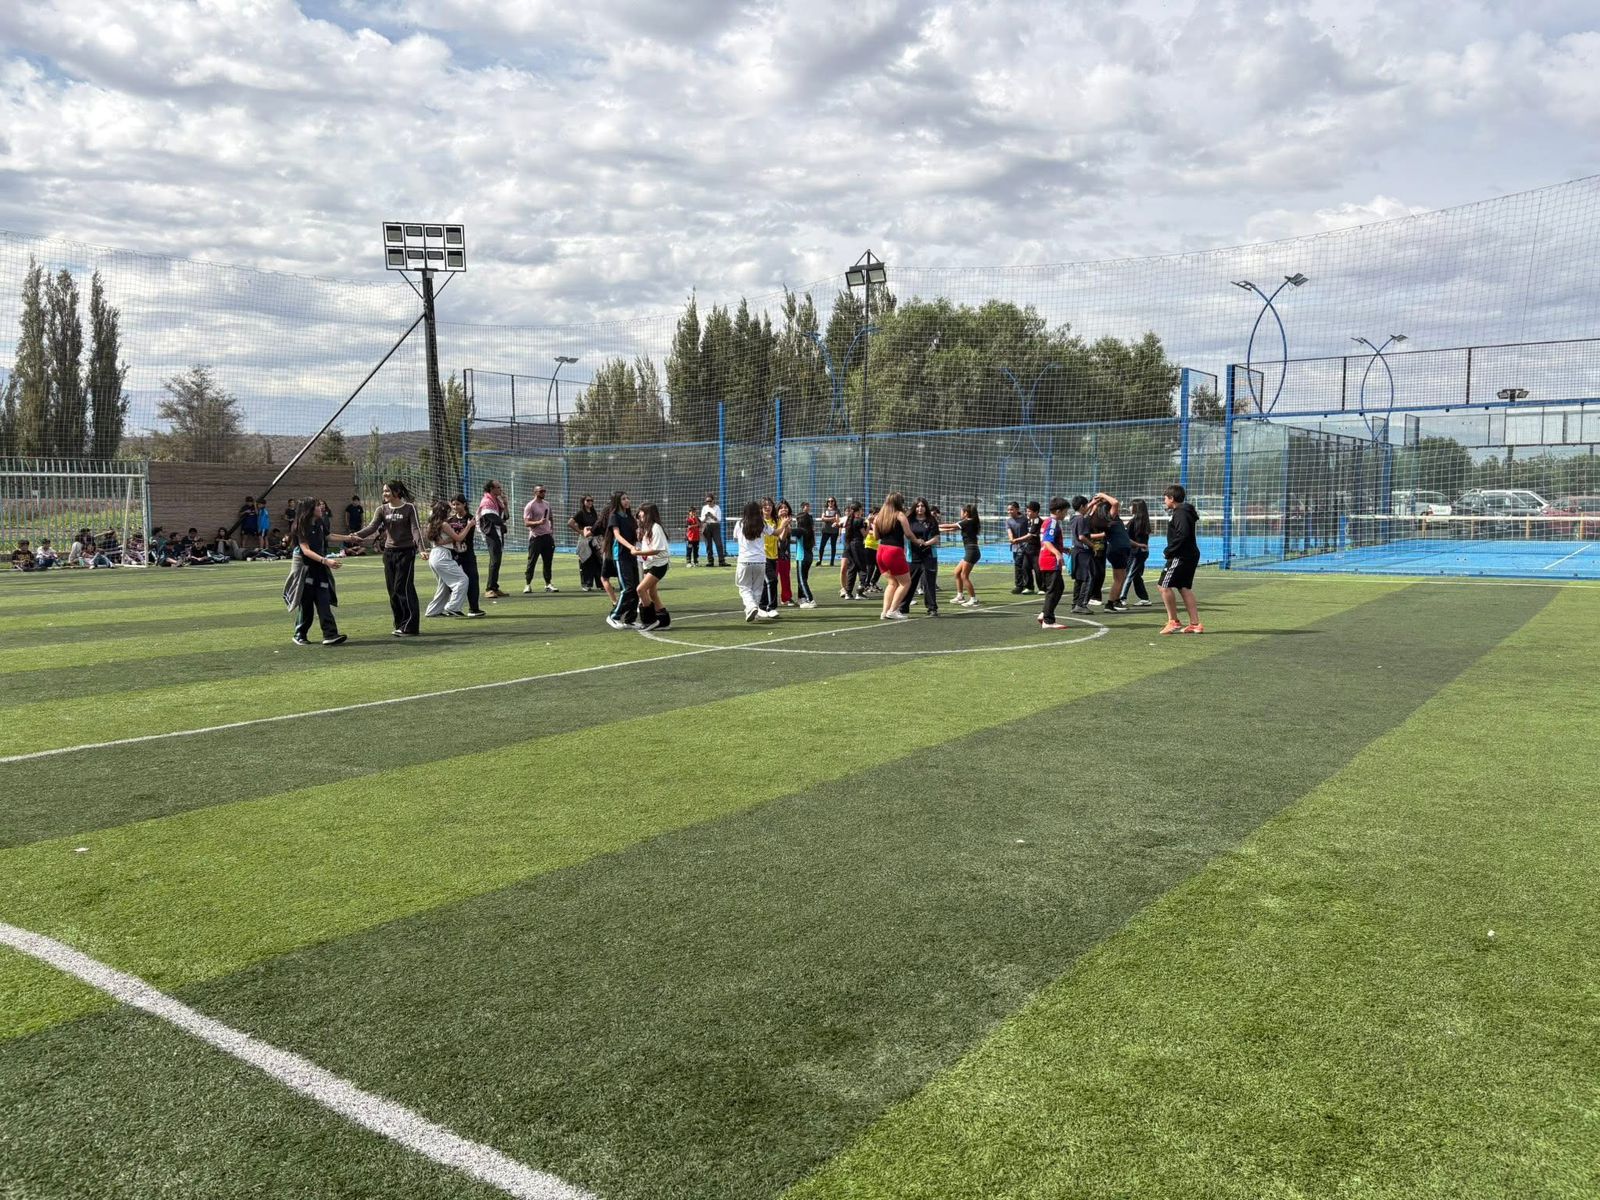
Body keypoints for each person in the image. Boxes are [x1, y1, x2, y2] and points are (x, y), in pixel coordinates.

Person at [350, 479, 423, 636]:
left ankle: (410, 626)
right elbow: (372, 527)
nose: (385, 493)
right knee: (393, 591)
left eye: (388, 491)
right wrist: (355, 535)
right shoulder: (382, 509)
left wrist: (421, 549)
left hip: (406, 552)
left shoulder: (409, 508)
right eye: (384, 491)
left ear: (397, 492)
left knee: (403, 587)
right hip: (389, 553)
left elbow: (415, 529)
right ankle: (400, 624)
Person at [283, 497, 350, 646]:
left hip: (319, 566)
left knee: (323, 600)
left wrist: (349, 538)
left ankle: (330, 634)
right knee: (307, 604)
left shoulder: (319, 522)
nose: (321, 508)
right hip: (306, 569)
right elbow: (306, 550)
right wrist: (326, 561)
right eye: (318, 506)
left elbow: (329, 535)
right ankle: (300, 634)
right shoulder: (300, 526)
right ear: (309, 510)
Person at [1159, 484, 1203, 635]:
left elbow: (1182, 534)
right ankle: (1195, 624)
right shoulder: (1183, 511)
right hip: (1189, 554)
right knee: (1184, 588)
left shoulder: (1181, 512)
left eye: (1165, 498)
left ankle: (1173, 621)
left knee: (1163, 586)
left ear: (1171, 498)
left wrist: (1169, 551)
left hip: (1181, 555)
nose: (1164, 501)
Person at [873, 492, 920, 620]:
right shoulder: (899, 515)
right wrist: (918, 541)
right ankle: (893, 610)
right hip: (894, 552)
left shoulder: (879, 516)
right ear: (899, 502)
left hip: (881, 551)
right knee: (906, 582)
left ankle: (884, 612)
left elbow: (876, 537)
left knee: (892, 583)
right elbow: (908, 534)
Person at [423, 500, 474, 618]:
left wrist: (449, 540)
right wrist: (469, 525)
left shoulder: (431, 524)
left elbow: (439, 541)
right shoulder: (444, 524)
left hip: (435, 555)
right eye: (448, 511)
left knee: (444, 585)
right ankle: (453, 607)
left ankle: (433, 611)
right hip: (443, 555)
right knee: (463, 580)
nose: (450, 513)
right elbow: (459, 538)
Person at [898, 497, 942, 617]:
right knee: (910, 582)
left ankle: (932, 608)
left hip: (929, 556)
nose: (920, 508)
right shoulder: (909, 520)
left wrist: (925, 543)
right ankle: (903, 607)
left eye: (922, 506)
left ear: (926, 507)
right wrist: (916, 541)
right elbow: (906, 535)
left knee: (929, 582)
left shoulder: (931, 520)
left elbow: (936, 538)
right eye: (917, 506)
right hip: (913, 556)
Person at [605, 491, 641, 629]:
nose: (627, 501)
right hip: (620, 556)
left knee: (636, 588)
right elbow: (617, 536)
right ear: (617, 501)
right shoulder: (614, 516)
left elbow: (636, 535)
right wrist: (631, 547)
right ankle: (613, 616)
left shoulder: (630, 517)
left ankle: (630, 620)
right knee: (627, 588)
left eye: (627, 498)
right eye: (623, 499)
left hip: (632, 556)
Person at [633, 502, 671, 631]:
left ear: (648, 513)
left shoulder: (656, 527)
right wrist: (640, 550)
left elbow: (656, 550)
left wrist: (637, 553)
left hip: (658, 564)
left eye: (641, 511)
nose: (639, 514)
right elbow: (648, 548)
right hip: (648, 564)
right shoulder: (646, 528)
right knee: (652, 593)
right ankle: (664, 621)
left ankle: (650, 620)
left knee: (640, 590)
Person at [733, 501, 773, 621]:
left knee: (744, 587)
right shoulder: (762, 523)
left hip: (744, 560)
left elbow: (735, 538)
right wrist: (784, 525)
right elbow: (774, 533)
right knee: (757, 588)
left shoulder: (740, 523)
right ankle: (753, 613)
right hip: (760, 560)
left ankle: (751, 606)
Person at [1034, 497, 1070, 629]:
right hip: (1050, 560)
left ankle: (1044, 613)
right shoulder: (1052, 522)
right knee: (1053, 590)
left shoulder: (1048, 522)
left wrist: (1063, 549)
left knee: (1059, 588)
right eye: (1065, 511)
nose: (1066, 514)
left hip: (1046, 559)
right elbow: (1047, 541)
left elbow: (1049, 541)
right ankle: (1048, 621)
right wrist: (1057, 553)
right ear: (1059, 511)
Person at [449, 494, 487, 616]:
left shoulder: (471, 519)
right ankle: (451, 607)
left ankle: (474, 608)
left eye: (458, 504)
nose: (455, 507)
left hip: (467, 554)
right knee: (451, 582)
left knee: (472, 580)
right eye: (453, 504)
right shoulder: (450, 520)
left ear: (464, 504)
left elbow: (465, 536)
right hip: (453, 555)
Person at [1095, 492, 1132, 613]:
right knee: (1119, 579)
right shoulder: (1110, 517)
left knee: (1121, 577)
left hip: (1120, 549)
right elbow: (1115, 502)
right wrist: (1102, 495)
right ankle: (1110, 604)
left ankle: (1116, 601)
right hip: (1117, 550)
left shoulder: (1113, 519)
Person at [943, 503, 981, 606]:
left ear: (966, 513)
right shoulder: (968, 522)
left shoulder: (968, 521)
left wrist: (935, 525)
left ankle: (973, 599)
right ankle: (960, 596)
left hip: (972, 552)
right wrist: (938, 529)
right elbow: (951, 529)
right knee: (957, 572)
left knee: (964, 576)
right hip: (971, 551)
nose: (960, 513)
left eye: (961, 511)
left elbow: (951, 526)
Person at [522, 484, 557, 594]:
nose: (543, 493)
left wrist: (551, 530)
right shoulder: (530, 505)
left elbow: (550, 517)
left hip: (547, 537)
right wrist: (538, 522)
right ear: (535, 492)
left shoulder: (547, 504)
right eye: (541, 491)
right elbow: (526, 523)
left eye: (544, 491)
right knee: (532, 561)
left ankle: (548, 584)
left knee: (548, 562)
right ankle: (527, 584)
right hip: (536, 537)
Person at [478, 481, 508, 598]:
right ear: (491, 489)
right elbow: (491, 517)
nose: (501, 489)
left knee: (497, 560)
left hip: (498, 533)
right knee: (495, 560)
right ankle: (489, 589)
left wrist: (506, 504)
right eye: (498, 487)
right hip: (491, 533)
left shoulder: (497, 501)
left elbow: (506, 516)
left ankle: (494, 587)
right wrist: (503, 524)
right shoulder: (486, 501)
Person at [1121, 499, 1154, 607]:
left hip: (1136, 552)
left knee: (1129, 574)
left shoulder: (1134, 522)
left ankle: (1121, 597)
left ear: (1136, 508)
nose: (1129, 508)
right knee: (1136, 576)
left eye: (1131, 506)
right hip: (1141, 552)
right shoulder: (1143, 521)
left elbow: (1127, 538)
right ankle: (1144, 598)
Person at [569, 494, 604, 593]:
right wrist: (580, 531)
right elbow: (570, 523)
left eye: (591, 500)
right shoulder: (580, 513)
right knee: (586, 561)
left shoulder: (593, 512)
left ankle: (600, 584)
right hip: (585, 540)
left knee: (598, 561)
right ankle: (586, 584)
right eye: (588, 500)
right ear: (583, 502)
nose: (590, 502)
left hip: (594, 540)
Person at [1068, 495, 1095, 615]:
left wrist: (1093, 503)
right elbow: (1082, 537)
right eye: (1086, 505)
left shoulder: (1073, 518)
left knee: (1079, 579)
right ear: (1082, 506)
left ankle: (1075, 604)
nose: (1087, 507)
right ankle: (1081, 604)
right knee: (1088, 578)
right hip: (1083, 552)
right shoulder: (1081, 519)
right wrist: (1093, 546)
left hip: (1076, 551)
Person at [1086, 497, 1110, 606]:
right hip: (1090, 548)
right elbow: (1084, 536)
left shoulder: (1103, 517)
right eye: (1097, 503)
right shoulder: (1086, 518)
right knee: (1093, 573)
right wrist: (1102, 535)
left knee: (1100, 573)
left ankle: (1096, 596)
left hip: (1101, 547)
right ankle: (1089, 596)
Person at [840, 502, 866, 599]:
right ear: (858, 510)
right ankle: (860, 591)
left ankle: (848, 592)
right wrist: (869, 524)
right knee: (862, 568)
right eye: (861, 509)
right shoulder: (859, 520)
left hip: (849, 545)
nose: (862, 511)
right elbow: (865, 534)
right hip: (857, 545)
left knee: (852, 568)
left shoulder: (848, 520)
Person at [759, 497, 781, 614]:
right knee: (772, 580)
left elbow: (780, 537)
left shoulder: (775, 521)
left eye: (770, 505)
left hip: (774, 556)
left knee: (766, 582)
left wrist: (785, 526)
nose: (768, 507)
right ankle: (771, 607)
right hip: (763, 556)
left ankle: (761, 607)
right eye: (765, 505)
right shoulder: (759, 522)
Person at [794, 500, 817, 608]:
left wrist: (784, 523)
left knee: (801, 580)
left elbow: (789, 532)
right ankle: (801, 598)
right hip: (809, 557)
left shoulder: (800, 530)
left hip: (802, 557)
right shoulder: (810, 531)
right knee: (803, 579)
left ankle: (810, 600)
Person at [775, 499, 796, 606]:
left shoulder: (788, 520)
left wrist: (787, 524)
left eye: (785, 507)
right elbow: (781, 538)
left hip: (785, 553)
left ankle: (786, 598)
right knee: (772, 578)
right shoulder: (774, 521)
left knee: (785, 576)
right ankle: (771, 598)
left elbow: (787, 537)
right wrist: (784, 525)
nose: (784, 509)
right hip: (773, 552)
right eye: (781, 508)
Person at [700, 493, 726, 566]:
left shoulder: (717, 507)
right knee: (708, 545)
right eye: (707, 501)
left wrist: (712, 516)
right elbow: (702, 520)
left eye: (710, 501)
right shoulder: (704, 508)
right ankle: (710, 561)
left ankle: (721, 561)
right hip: (706, 526)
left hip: (715, 526)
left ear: (713, 500)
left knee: (719, 544)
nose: (708, 503)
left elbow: (719, 519)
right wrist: (706, 517)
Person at [818, 497, 841, 565]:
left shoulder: (837, 510)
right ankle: (820, 561)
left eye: (832, 501)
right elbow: (822, 518)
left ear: (834, 502)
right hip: (825, 531)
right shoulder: (825, 509)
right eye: (829, 501)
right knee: (822, 546)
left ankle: (832, 562)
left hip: (834, 531)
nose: (830, 502)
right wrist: (831, 518)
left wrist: (827, 518)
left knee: (833, 546)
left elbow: (837, 520)